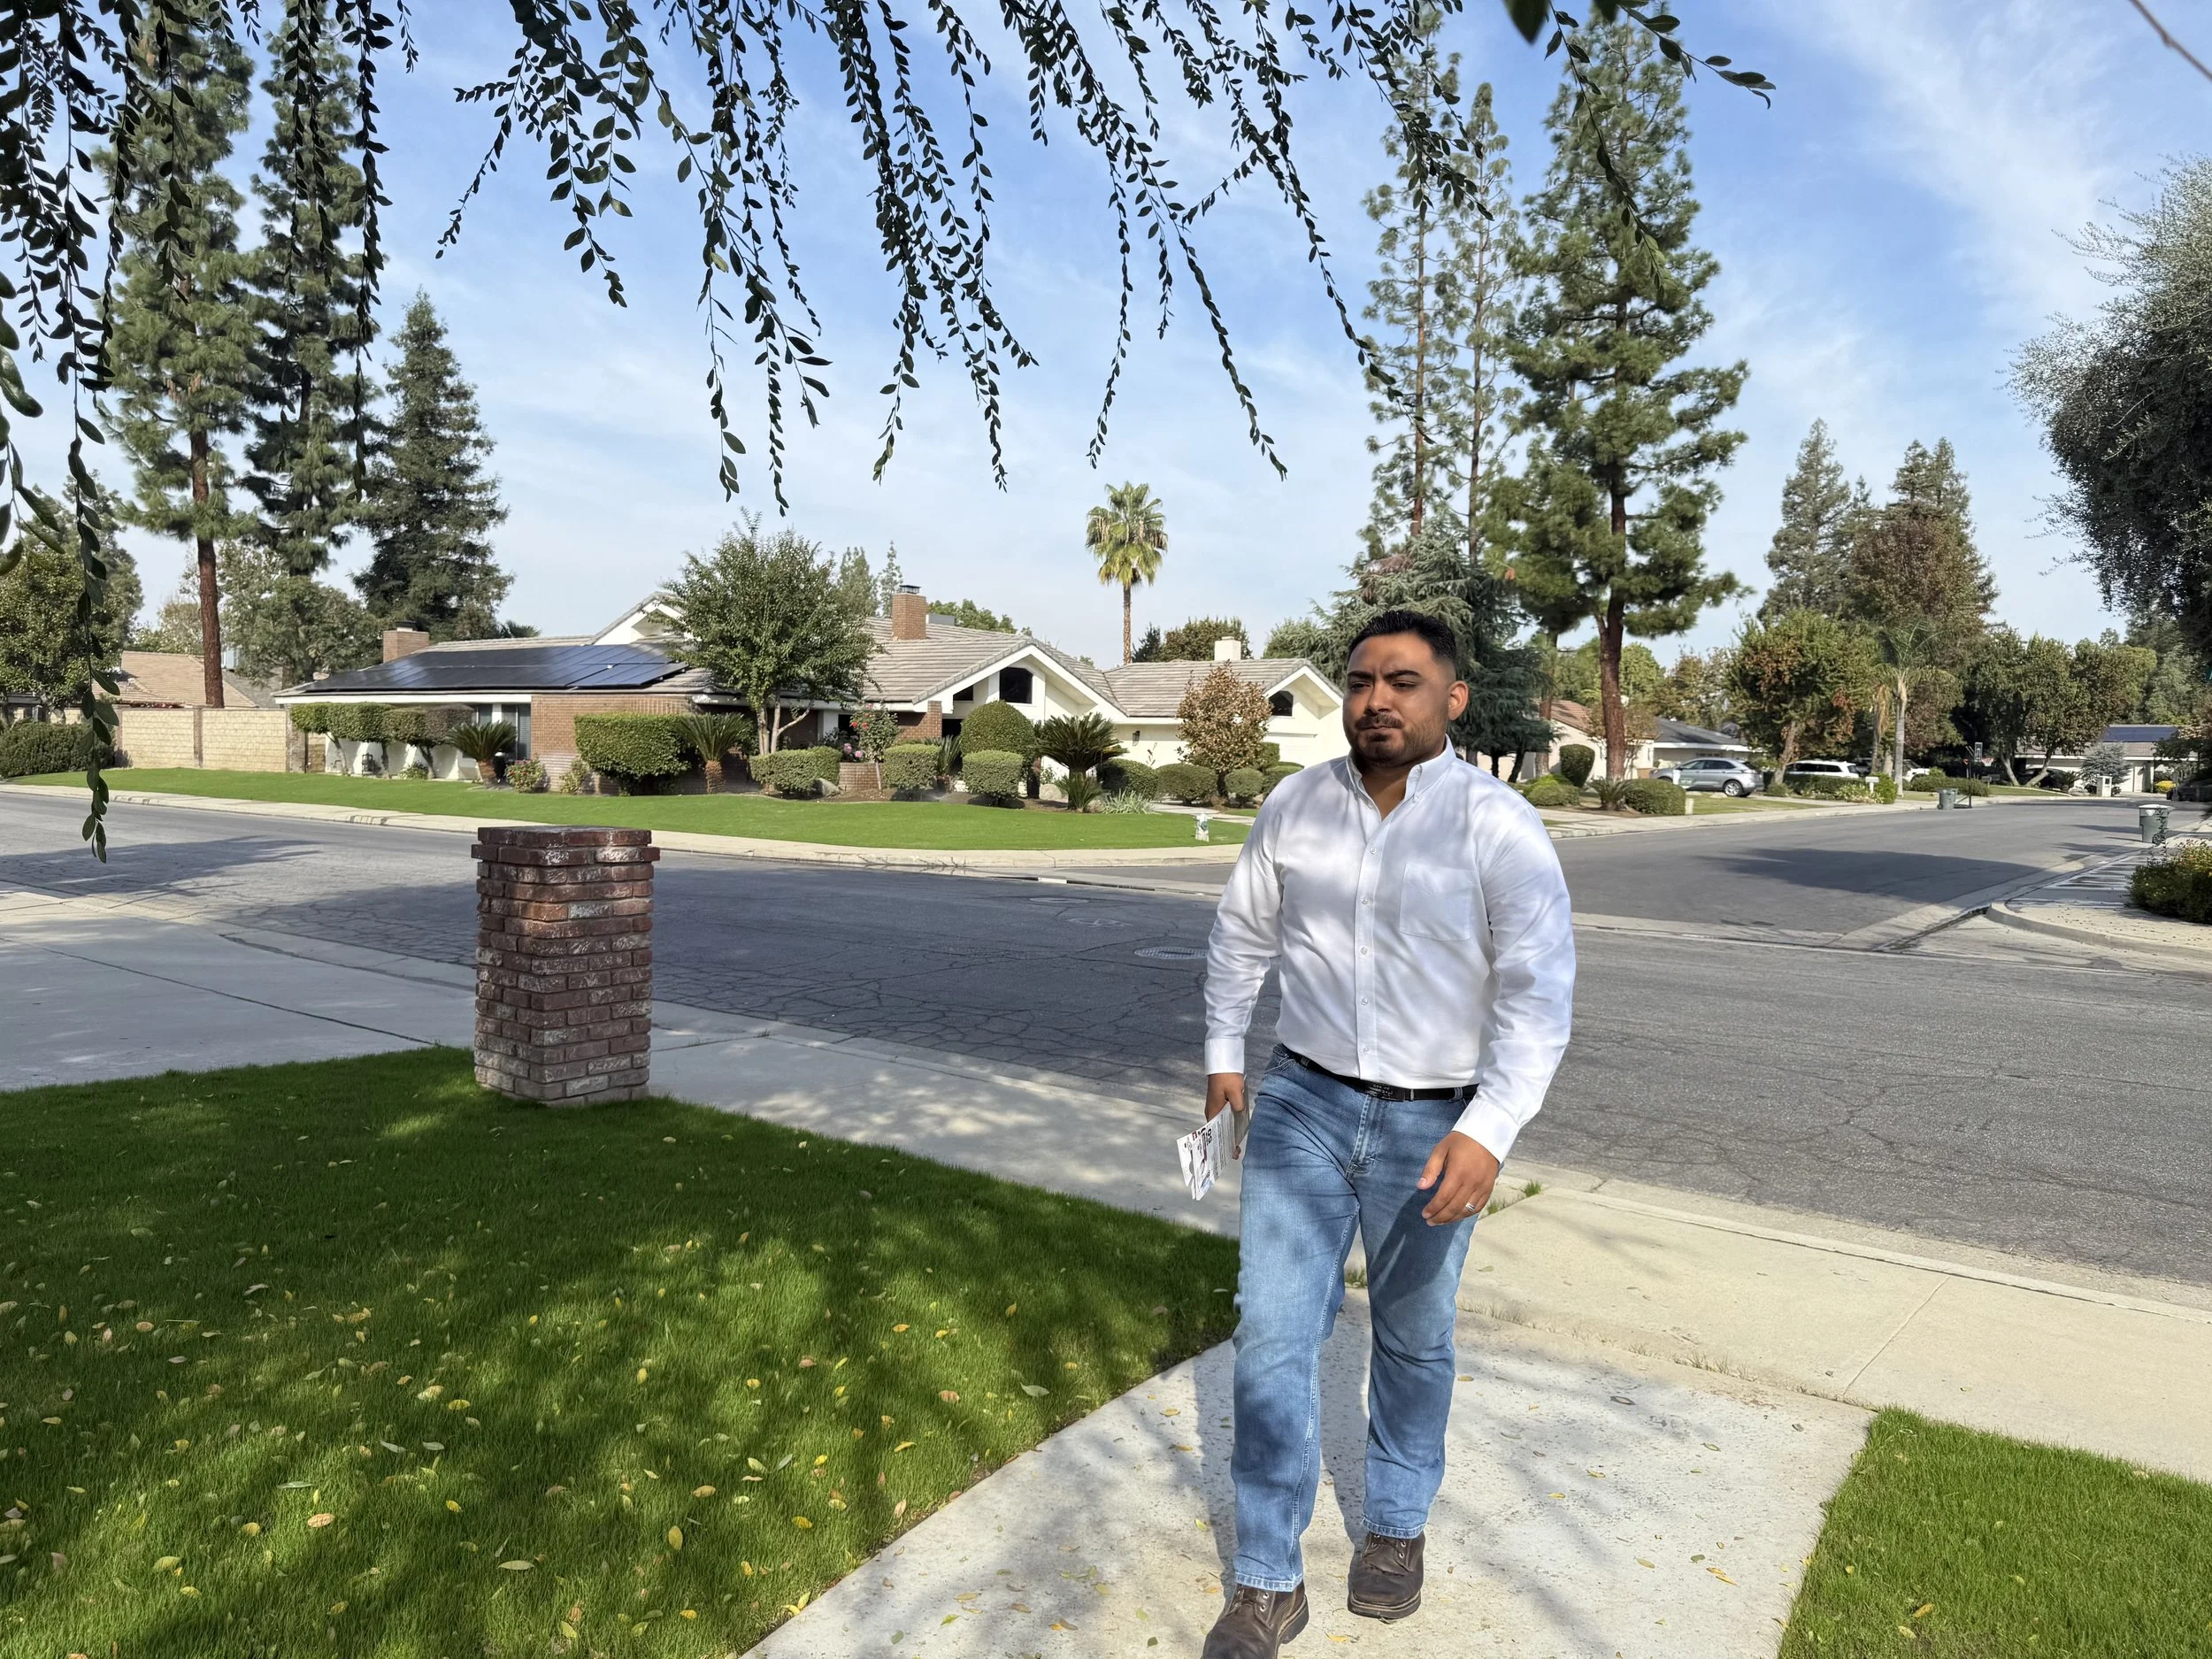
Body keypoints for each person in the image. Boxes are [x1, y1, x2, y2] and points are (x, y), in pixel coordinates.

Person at [1196, 609, 1576, 1658]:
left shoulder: (1496, 825)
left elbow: (1539, 998)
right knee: (1273, 1336)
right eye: (1361, 681)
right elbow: (1241, 934)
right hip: (1303, 1106)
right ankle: (1268, 1581)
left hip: (1435, 1124)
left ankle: (1396, 1529)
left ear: (1450, 700)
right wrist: (1225, 1053)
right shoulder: (1296, 806)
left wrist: (1490, 1128)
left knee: (1413, 1338)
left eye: (1402, 682)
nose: (1375, 701)